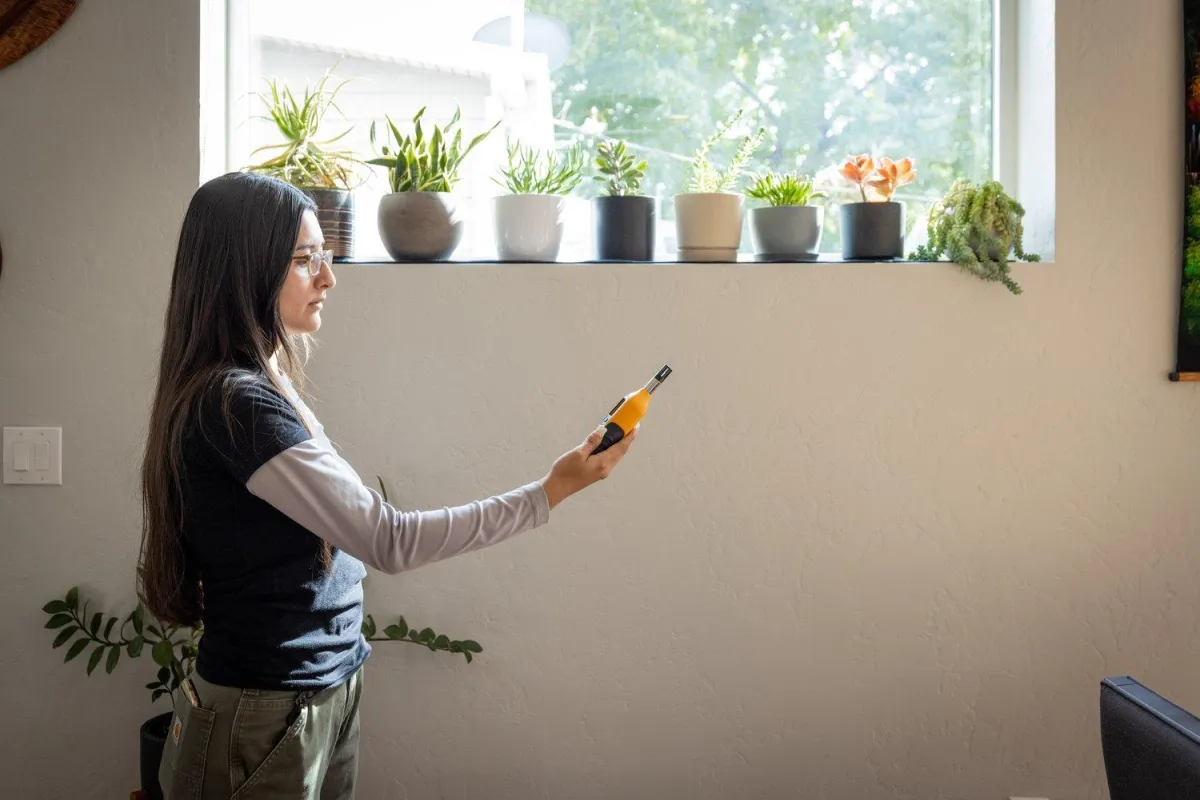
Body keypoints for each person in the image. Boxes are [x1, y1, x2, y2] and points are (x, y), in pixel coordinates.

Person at [137, 172, 638, 799]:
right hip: (266, 707)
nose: (328, 275)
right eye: (303, 259)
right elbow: (387, 539)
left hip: (316, 688)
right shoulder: (236, 405)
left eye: (323, 254)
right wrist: (549, 492)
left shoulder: (261, 382)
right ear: (245, 268)